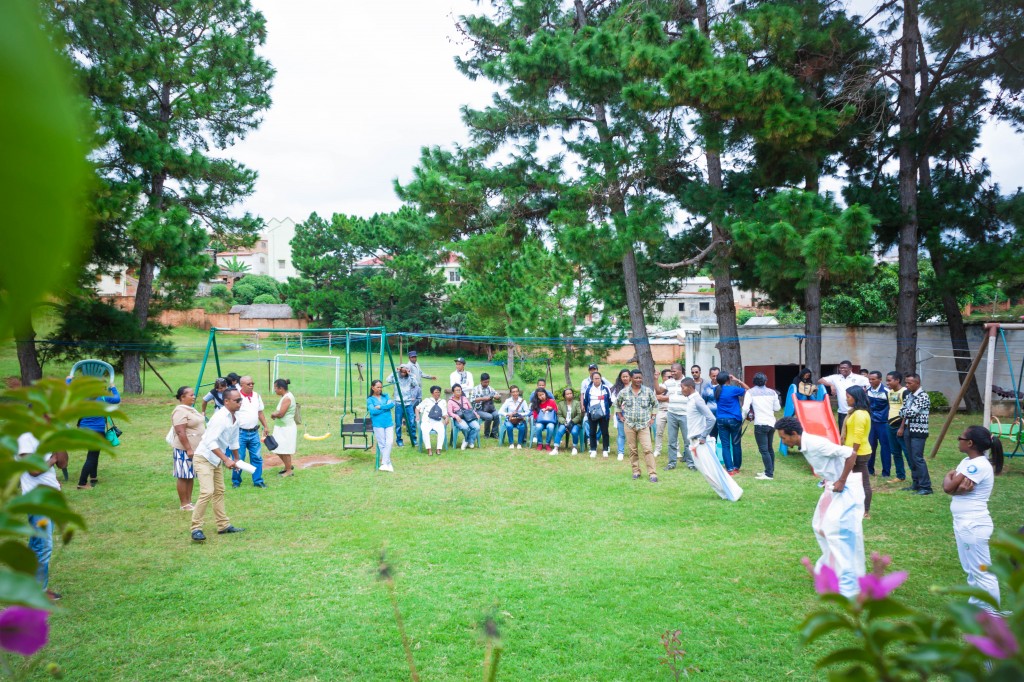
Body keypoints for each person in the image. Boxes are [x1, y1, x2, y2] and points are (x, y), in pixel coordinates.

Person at [775, 416, 864, 598]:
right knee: (820, 527)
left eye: (784, 438)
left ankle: (849, 581)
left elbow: (851, 454)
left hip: (846, 489)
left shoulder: (816, 443)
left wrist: (841, 480)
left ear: (794, 434)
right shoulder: (805, 445)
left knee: (838, 532)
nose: (783, 442)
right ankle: (830, 569)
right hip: (832, 488)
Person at [943, 425, 1004, 612]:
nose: (958, 440)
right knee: (971, 569)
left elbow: (948, 487)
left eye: (960, 438)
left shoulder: (977, 465)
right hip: (964, 522)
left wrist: (950, 478)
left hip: (973, 524)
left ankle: (992, 613)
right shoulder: (967, 461)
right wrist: (951, 480)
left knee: (982, 571)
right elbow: (951, 486)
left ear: (970, 443)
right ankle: (977, 608)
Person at [17, 429, 68, 600]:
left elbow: (63, 464)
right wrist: (51, 459)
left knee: (36, 544)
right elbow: (33, 470)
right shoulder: (26, 437)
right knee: (43, 545)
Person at [675, 378, 742, 502]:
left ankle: (732, 492)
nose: (681, 390)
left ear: (690, 387)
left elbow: (711, 418)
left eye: (683, 387)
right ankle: (726, 493)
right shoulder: (690, 400)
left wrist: (703, 436)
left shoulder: (697, 400)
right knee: (707, 471)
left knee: (711, 470)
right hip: (694, 440)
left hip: (700, 441)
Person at [191, 388, 244, 542]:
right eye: (237, 400)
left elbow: (234, 441)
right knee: (207, 492)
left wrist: (236, 459)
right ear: (226, 401)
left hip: (215, 459)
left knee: (219, 491)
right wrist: (226, 459)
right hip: (204, 457)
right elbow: (209, 441)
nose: (240, 403)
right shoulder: (220, 417)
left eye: (240, 400)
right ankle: (196, 528)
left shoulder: (235, 417)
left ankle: (223, 526)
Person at [70, 375, 121, 490]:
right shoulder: (103, 397)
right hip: (97, 432)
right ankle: (82, 483)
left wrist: (69, 380)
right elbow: (117, 399)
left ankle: (93, 477)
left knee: (93, 454)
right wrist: (113, 387)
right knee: (92, 457)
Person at [617, 369, 659, 482]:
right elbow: (616, 405)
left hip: (644, 425)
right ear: (631, 378)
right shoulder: (624, 392)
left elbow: (655, 404)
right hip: (629, 425)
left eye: (640, 378)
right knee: (633, 449)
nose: (638, 380)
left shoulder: (648, 391)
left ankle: (652, 474)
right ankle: (636, 471)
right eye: (636, 378)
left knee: (648, 449)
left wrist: (653, 418)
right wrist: (621, 417)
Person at [742, 373, 781, 481]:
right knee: (769, 448)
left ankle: (768, 474)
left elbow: (745, 408)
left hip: (760, 423)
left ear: (754, 381)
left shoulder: (750, 392)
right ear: (765, 381)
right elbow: (777, 408)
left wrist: (743, 418)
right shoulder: (772, 392)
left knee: (763, 450)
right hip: (771, 423)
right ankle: (769, 470)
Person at [898, 373, 932, 495]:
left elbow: (911, 413)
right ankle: (916, 483)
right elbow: (901, 412)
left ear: (917, 383)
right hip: (908, 429)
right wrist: (906, 412)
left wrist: (906, 412)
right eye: (906, 383)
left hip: (919, 431)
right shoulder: (909, 396)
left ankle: (926, 486)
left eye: (909, 383)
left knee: (917, 458)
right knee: (911, 458)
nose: (906, 385)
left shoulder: (923, 396)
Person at [170, 386, 203, 510]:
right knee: (183, 475)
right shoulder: (180, 411)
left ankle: (189, 501)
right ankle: (184, 504)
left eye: (194, 394)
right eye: (191, 395)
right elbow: (180, 432)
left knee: (190, 475)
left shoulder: (190, 409)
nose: (194, 396)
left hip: (195, 449)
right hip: (184, 449)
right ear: (182, 397)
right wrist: (188, 448)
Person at [843, 386, 874, 517]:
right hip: (853, 451)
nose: (846, 399)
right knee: (855, 481)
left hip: (859, 453)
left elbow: (858, 435)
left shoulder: (860, 414)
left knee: (863, 481)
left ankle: (865, 511)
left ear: (856, 398)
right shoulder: (854, 412)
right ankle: (855, 506)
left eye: (848, 397)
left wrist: (853, 453)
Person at [232, 376, 268, 489]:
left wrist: (265, 426)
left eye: (252, 383)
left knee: (257, 457)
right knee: (239, 458)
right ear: (241, 385)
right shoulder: (236, 396)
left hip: (254, 432)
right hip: (240, 433)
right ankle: (236, 481)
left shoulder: (256, 395)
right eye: (248, 384)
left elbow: (260, 412)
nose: (251, 385)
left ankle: (258, 481)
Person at [818, 360, 869, 431]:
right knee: (842, 432)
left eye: (844, 368)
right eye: (840, 368)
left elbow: (868, 386)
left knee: (855, 432)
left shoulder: (859, 378)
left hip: (855, 411)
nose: (842, 369)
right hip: (842, 411)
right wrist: (831, 385)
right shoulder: (836, 377)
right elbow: (820, 380)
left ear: (851, 368)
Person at [662, 363, 694, 471]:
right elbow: (658, 390)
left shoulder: (687, 382)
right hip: (671, 414)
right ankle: (671, 463)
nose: (672, 373)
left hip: (685, 414)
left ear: (680, 371)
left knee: (688, 441)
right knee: (672, 440)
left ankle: (691, 463)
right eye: (671, 371)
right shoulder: (668, 382)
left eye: (674, 371)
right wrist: (655, 379)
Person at [714, 372, 748, 475]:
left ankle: (729, 469)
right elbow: (749, 391)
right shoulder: (733, 389)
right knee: (736, 444)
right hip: (734, 419)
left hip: (721, 419)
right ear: (728, 379)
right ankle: (736, 467)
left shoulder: (716, 390)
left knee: (725, 445)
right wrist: (738, 380)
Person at [386, 364, 420, 448]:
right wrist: (395, 371)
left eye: (405, 371)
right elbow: (388, 380)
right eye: (402, 371)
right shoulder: (396, 377)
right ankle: (399, 440)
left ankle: (414, 439)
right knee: (398, 423)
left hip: (408, 403)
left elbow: (416, 384)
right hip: (398, 403)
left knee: (411, 422)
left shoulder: (410, 377)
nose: (403, 373)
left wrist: (410, 374)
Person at [269, 378, 297, 477]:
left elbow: (281, 414)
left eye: (275, 388)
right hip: (281, 427)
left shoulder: (287, 398)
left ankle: (289, 470)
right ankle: (287, 466)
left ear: (281, 388)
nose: (275, 390)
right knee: (278, 448)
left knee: (285, 450)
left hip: (286, 428)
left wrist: (273, 414)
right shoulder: (285, 396)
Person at [884, 372, 909, 483]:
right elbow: (891, 408)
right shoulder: (889, 393)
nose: (887, 383)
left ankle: (916, 477)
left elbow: (906, 411)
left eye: (889, 380)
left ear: (897, 380)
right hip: (890, 425)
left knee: (907, 452)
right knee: (895, 452)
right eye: (887, 380)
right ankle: (900, 476)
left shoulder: (904, 392)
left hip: (900, 426)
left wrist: (902, 427)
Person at [865, 371, 890, 478]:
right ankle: (870, 470)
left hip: (883, 423)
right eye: (869, 379)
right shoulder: (867, 391)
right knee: (870, 447)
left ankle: (886, 472)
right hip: (871, 423)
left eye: (873, 379)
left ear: (880, 379)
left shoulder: (887, 392)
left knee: (885, 447)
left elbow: (891, 407)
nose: (871, 381)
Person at [367, 380, 397, 472]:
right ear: (372, 387)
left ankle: (384, 463)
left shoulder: (385, 396)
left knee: (390, 442)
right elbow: (372, 411)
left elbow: (392, 404)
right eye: (378, 387)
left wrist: (380, 407)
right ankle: (388, 464)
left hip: (388, 422)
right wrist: (385, 408)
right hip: (378, 424)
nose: (380, 389)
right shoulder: (370, 399)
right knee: (382, 444)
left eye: (381, 387)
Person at [580, 363, 612, 445]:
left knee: (603, 424)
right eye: (591, 370)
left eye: (594, 369)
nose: (592, 371)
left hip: (602, 407)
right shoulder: (585, 382)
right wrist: (582, 405)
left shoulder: (603, 380)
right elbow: (582, 394)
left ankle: (597, 438)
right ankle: (590, 438)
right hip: (591, 408)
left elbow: (611, 388)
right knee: (586, 421)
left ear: (597, 370)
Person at [417, 385, 449, 456]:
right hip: (427, 421)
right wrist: (417, 416)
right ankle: (429, 450)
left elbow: (444, 414)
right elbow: (417, 408)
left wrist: (446, 418)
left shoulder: (442, 402)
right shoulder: (427, 400)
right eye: (436, 392)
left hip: (437, 421)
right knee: (425, 431)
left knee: (441, 430)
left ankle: (438, 449)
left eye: (439, 392)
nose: (438, 394)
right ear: (432, 393)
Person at [447, 383, 480, 450]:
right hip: (459, 419)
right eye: (457, 390)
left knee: (477, 427)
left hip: (468, 417)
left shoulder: (464, 398)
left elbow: (470, 408)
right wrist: (455, 416)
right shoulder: (450, 401)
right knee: (465, 427)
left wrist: (475, 413)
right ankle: (468, 441)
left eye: (460, 390)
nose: (459, 392)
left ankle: (467, 441)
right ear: (453, 392)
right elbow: (449, 412)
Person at [610, 369, 633, 461]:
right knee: (621, 434)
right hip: (621, 413)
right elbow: (613, 401)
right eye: (623, 376)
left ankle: (633, 452)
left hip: (633, 413)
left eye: (627, 376)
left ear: (630, 377)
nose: (625, 378)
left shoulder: (634, 387)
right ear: (620, 377)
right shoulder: (617, 388)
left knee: (632, 434)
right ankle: (620, 452)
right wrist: (621, 405)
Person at [553, 387, 583, 456]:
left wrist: (572, 423)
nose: (569, 395)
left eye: (570, 393)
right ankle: (555, 448)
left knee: (574, 431)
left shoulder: (577, 403)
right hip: (565, 423)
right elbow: (559, 415)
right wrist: (565, 422)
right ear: (564, 396)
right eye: (567, 394)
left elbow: (579, 415)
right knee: (560, 430)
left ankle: (574, 447)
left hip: (575, 423)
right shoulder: (561, 404)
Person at [471, 373, 500, 439]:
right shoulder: (475, 389)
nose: (486, 383)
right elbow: (472, 400)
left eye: (488, 382)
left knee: (497, 415)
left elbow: (498, 396)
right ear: (481, 381)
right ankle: (486, 434)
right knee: (489, 416)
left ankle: (494, 433)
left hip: (490, 409)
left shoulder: (490, 388)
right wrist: (483, 398)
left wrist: (497, 397)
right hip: (479, 409)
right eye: (485, 382)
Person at [653, 369, 671, 458]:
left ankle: (676, 450)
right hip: (661, 411)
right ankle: (657, 450)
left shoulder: (673, 385)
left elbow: (673, 398)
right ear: (663, 377)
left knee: (672, 432)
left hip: (672, 411)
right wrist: (667, 398)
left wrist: (662, 397)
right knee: (659, 432)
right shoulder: (659, 386)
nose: (670, 378)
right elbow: (655, 397)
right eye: (668, 377)